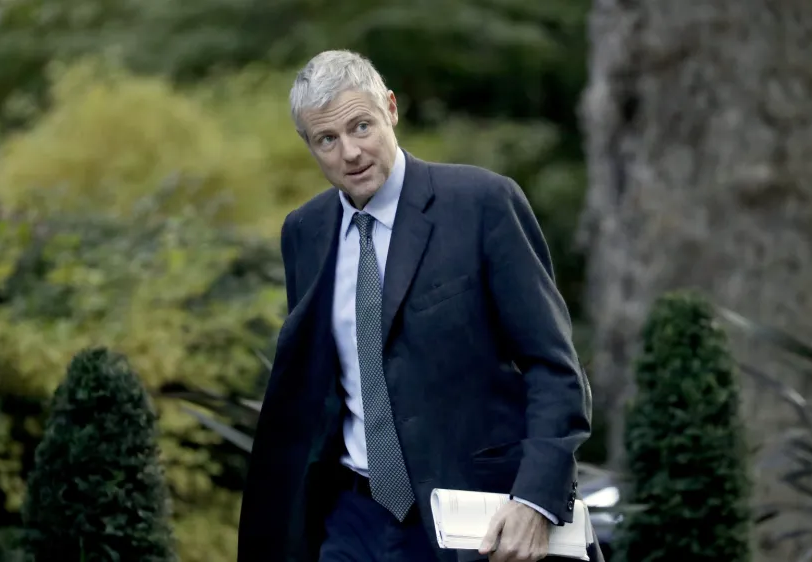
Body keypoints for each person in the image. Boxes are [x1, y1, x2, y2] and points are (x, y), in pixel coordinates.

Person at [237, 49, 604, 562]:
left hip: (471, 518)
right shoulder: (305, 231)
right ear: (309, 145)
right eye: (328, 139)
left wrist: (535, 500)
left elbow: (555, 368)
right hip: (351, 516)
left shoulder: (482, 204)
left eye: (361, 126)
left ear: (390, 108)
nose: (350, 153)